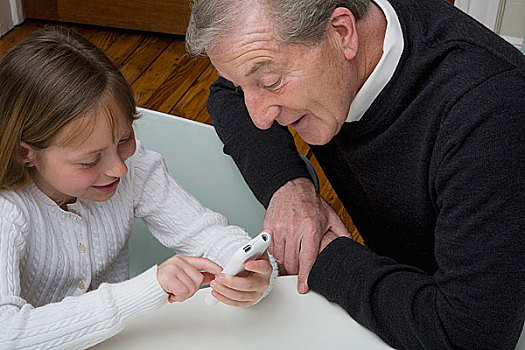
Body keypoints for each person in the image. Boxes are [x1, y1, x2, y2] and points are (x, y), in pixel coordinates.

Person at [186, 0, 525, 348]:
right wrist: (289, 186)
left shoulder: (491, 116)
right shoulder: (321, 49)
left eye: (271, 81)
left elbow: (471, 336)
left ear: (342, 32)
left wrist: (323, 253)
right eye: (246, 87)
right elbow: (225, 93)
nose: (259, 117)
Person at [0, 27, 278, 349]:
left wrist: (250, 270)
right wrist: (148, 288)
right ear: (26, 153)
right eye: (89, 161)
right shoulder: (8, 212)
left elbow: (206, 234)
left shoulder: (133, 168)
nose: (118, 167)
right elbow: (7, 333)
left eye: (124, 139)